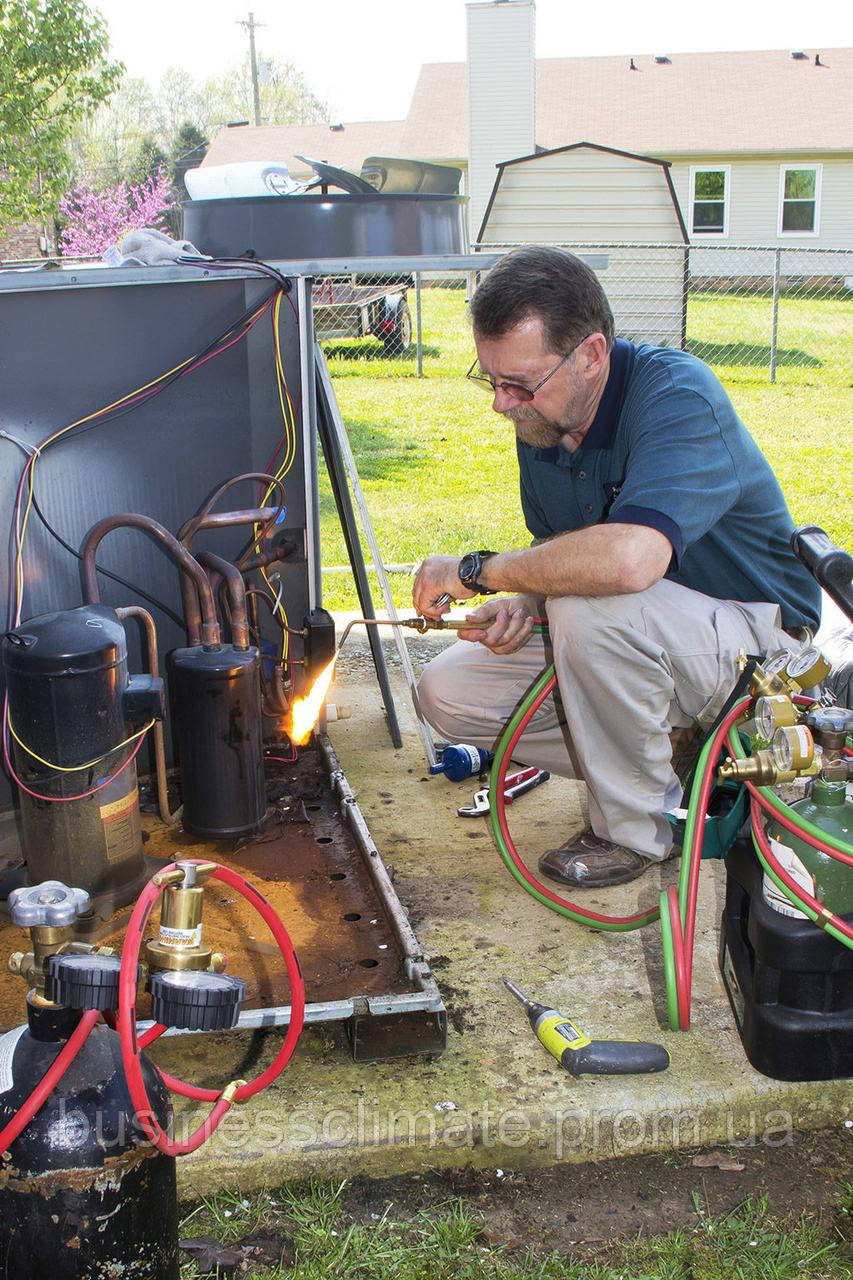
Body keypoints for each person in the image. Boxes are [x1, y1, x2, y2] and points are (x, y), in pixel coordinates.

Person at [413, 246, 822, 889]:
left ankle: (639, 831)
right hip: (649, 631)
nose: (501, 403)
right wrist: (525, 604)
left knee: (589, 611)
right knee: (447, 692)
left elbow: (630, 562)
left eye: (520, 382)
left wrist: (480, 570)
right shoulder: (544, 427)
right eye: (490, 379)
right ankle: (675, 759)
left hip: (762, 646)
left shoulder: (677, 394)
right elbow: (578, 567)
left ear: (593, 354)